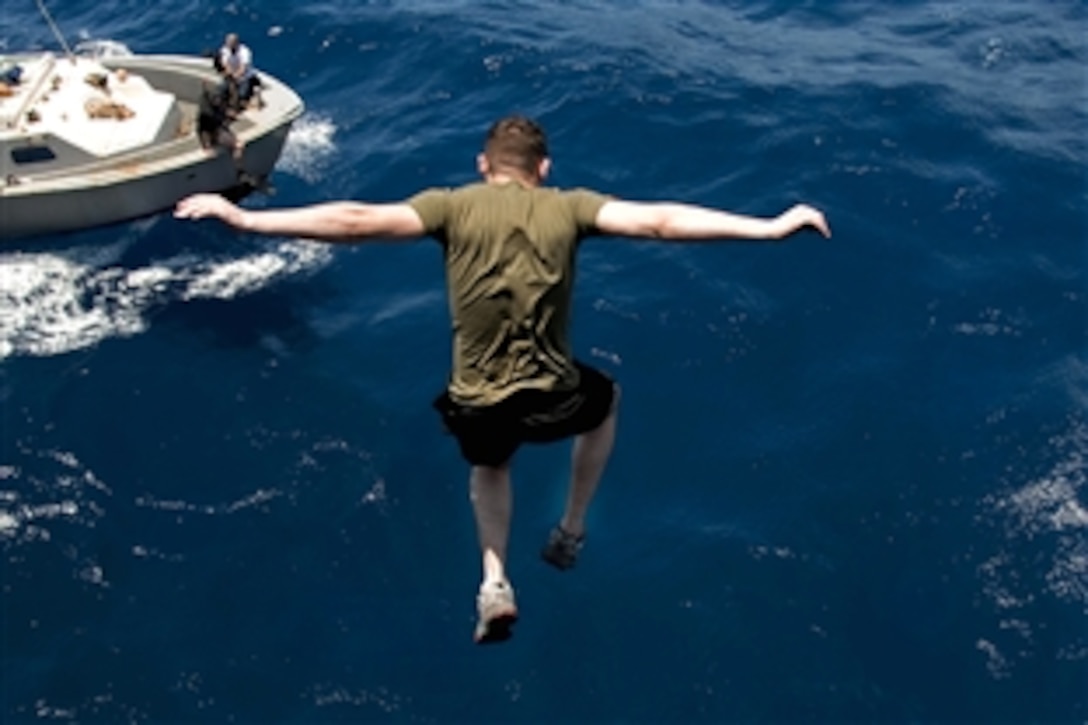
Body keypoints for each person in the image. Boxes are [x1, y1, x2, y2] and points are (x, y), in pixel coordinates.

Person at [174, 115, 831, 645]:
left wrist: (246, 219)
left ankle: (494, 579)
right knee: (605, 402)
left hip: (477, 403)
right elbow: (662, 220)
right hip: (553, 395)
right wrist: (770, 228)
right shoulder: (570, 207)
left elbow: (354, 222)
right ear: (544, 170)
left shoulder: (452, 206)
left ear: (483, 166)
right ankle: (571, 526)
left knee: (490, 467)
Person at [217, 33, 261, 109]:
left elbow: (243, 67)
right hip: (232, 75)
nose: (229, 46)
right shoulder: (225, 50)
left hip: (245, 77)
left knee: (242, 95)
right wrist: (230, 74)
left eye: (231, 43)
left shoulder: (244, 52)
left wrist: (237, 76)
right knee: (222, 90)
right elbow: (225, 63)